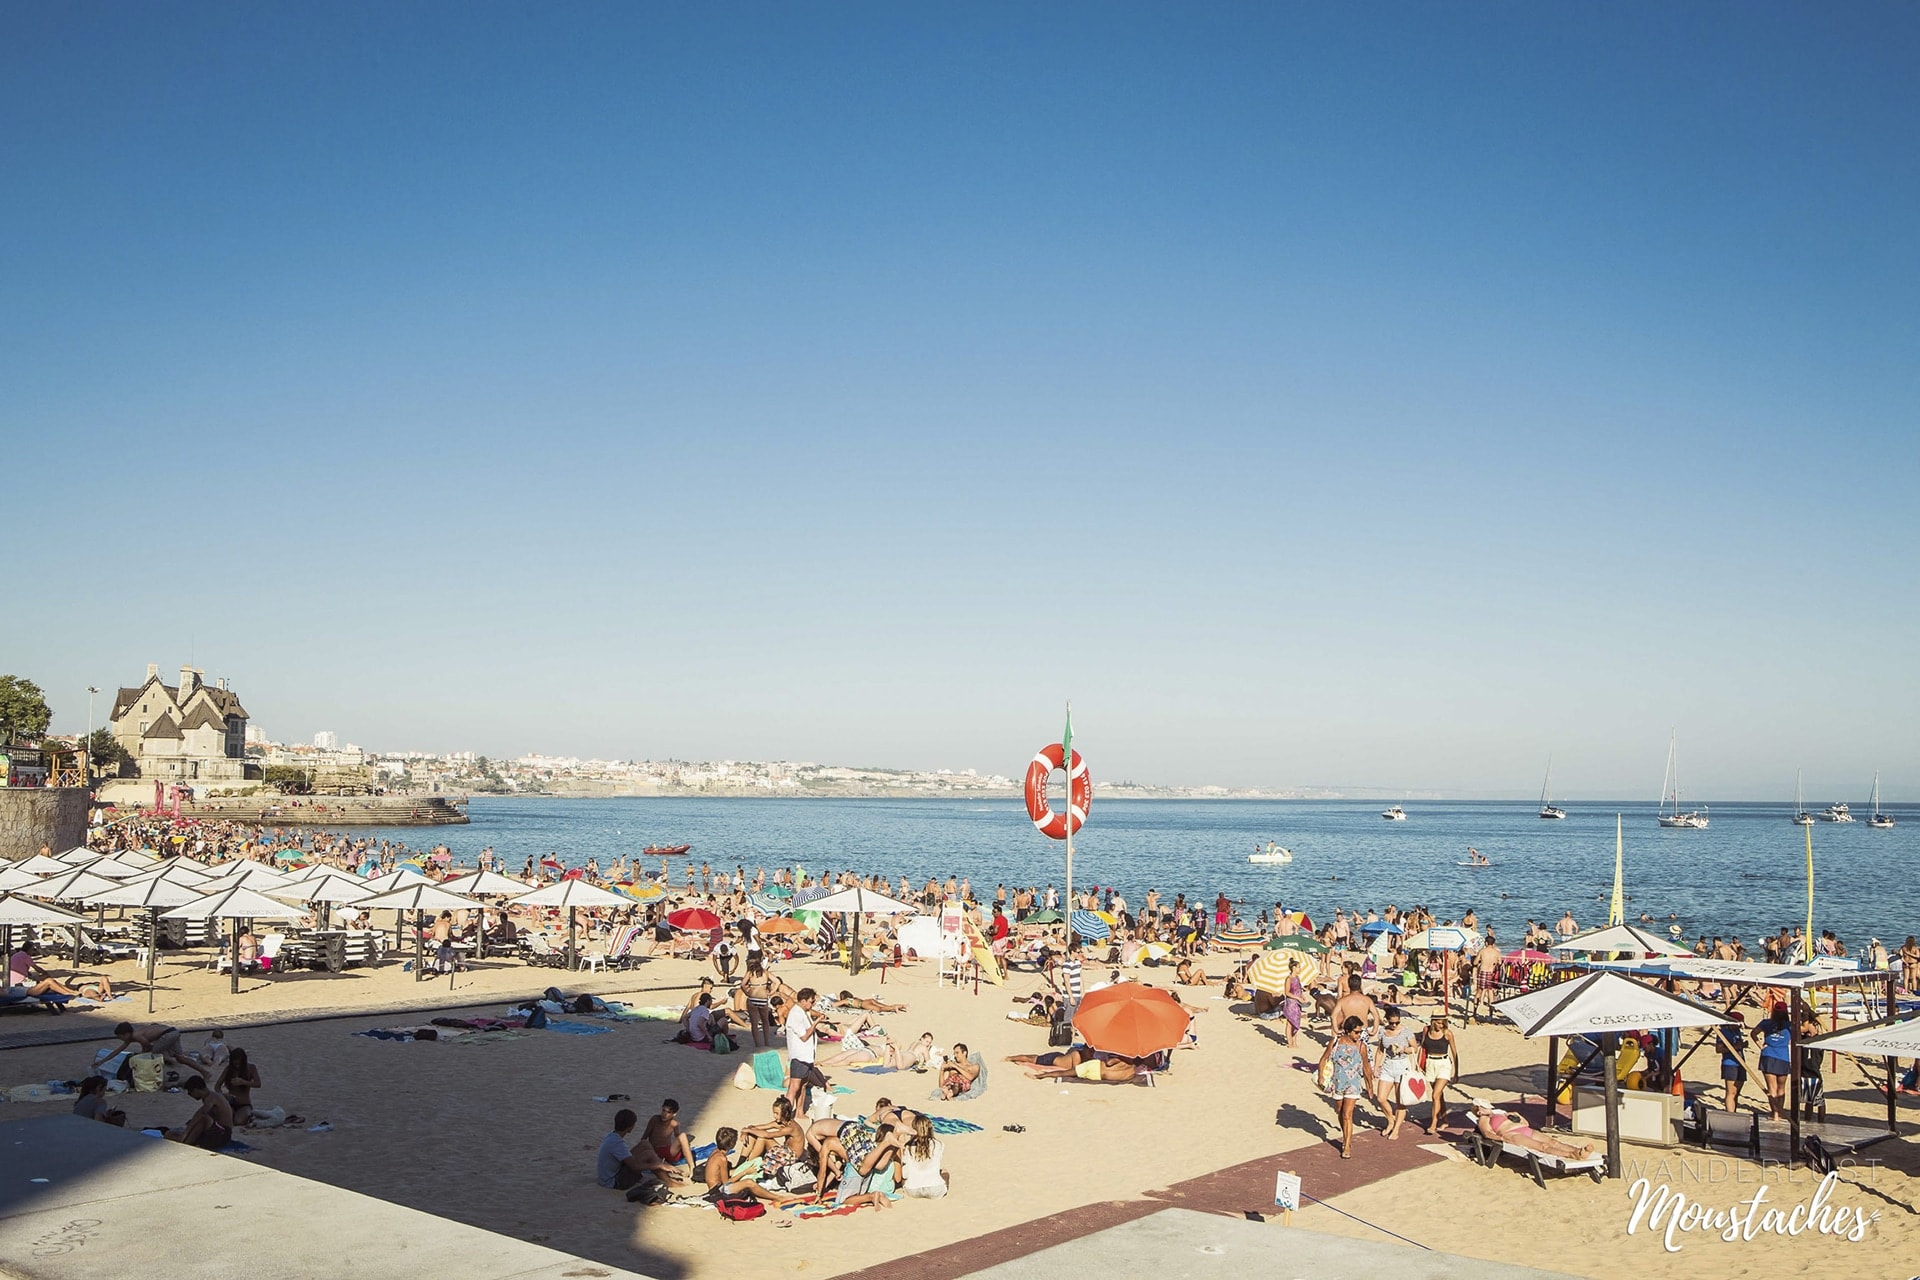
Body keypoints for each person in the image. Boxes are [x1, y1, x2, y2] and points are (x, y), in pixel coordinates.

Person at [702, 1128, 807, 1207]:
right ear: (731, 1144)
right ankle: (777, 1197)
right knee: (749, 1183)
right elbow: (726, 1184)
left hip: (713, 1187)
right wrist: (745, 1172)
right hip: (718, 1190)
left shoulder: (715, 1152)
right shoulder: (722, 1159)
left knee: (746, 1180)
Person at [1319, 1017, 1374, 1159]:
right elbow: (1324, 1059)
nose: (1358, 1035)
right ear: (1348, 1031)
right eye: (1356, 1032)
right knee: (1340, 1112)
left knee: (1347, 1114)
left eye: (1360, 1032)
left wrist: (1370, 1086)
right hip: (1337, 1082)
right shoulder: (1336, 1042)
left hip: (1353, 1084)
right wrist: (1320, 1076)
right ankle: (1346, 1135)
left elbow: (1366, 1067)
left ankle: (1347, 1144)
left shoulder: (1361, 1046)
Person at [1468, 1100, 1596, 1161]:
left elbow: (1526, 1123)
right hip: (1511, 1135)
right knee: (1542, 1147)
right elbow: (1487, 1133)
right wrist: (1502, 1139)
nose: (1488, 1108)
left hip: (1523, 1128)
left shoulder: (1501, 1113)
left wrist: (1516, 1115)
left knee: (1553, 1142)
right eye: (1484, 1107)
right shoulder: (1483, 1119)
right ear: (1479, 1111)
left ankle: (1577, 1151)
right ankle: (1570, 1155)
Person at [596, 1109, 680, 1193]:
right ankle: (669, 1182)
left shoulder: (612, 1136)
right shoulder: (617, 1143)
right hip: (614, 1182)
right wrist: (659, 1165)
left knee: (644, 1144)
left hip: (611, 1174)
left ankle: (663, 1174)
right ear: (629, 1127)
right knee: (648, 1155)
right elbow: (635, 1167)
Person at [1374, 1008, 1419, 1139]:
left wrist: (1404, 1049)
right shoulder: (1383, 1031)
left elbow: (1415, 1048)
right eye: (1392, 1022)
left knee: (1400, 1100)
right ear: (1387, 1020)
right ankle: (1390, 1120)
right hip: (1388, 1065)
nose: (1394, 1025)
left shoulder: (1406, 1031)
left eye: (1397, 1022)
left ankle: (1397, 1128)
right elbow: (1380, 1051)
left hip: (1402, 1065)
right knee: (1381, 1098)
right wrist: (1376, 1067)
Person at [1419, 1013, 1460, 1136]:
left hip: (1444, 1064)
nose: (1440, 1025)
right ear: (1433, 1021)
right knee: (1439, 1096)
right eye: (1438, 1022)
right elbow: (1422, 1047)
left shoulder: (1448, 1033)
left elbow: (1454, 1052)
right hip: (1430, 1063)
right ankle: (1445, 1120)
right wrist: (1418, 1064)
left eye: (1442, 1023)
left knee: (1435, 1094)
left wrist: (1456, 1072)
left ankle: (1434, 1122)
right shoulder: (1426, 1030)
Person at [168, 1076, 234, 1149]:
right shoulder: (210, 1097)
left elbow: (202, 1114)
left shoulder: (211, 1098)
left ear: (196, 1090)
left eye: (190, 1093)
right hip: (219, 1131)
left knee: (203, 1119)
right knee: (196, 1121)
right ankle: (186, 1139)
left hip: (223, 1133)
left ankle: (186, 1142)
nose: (190, 1096)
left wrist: (186, 1132)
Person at [784, 988, 822, 1111]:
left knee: (803, 1085)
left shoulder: (803, 1012)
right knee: (794, 1087)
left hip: (807, 1056)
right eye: (811, 1001)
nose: (813, 1004)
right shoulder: (795, 1014)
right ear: (803, 1001)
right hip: (799, 1056)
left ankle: (799, 1111)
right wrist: (816, 1023)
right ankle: (787, 1114)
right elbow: (804, 1036)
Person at [1756, 1002, 1794, 1121]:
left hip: (1769, 1054)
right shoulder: (1790, 1025)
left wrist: (1760, 1045)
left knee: (1772, 1088)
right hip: (1782, 1056)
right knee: (1781, 1088)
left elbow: (1753, 1033)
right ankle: (1779, 1112)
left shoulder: (1766, 1023)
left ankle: (1775, 1114)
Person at [899, 1113, 948, 1199]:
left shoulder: (908, 1147)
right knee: (945, 1172)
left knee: (906, 1176)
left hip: (912, 1189)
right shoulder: (939, 1145)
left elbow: (905, 1173)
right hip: (935, 1189)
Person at [110, 1022, 196, 1071]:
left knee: (153, 1054)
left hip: (168, 1035)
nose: (121, 1039)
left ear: (126, 1034)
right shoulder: (135, 1034)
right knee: (180, 1058)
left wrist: (141, 1056)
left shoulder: (136, 1036)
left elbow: (148, 1047)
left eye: (121, 1037)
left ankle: (169, 1059)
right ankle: (205, 1073)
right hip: (173, 1032)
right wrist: (102, 1061)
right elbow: (118, 1050)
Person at [642, 1099, 697, 1174]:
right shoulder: (655, 1119)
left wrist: (684, 1145)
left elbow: (677, 1137)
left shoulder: (674, 1124)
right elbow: (645, 1135)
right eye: (663, 1110)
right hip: (654, 1151)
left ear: (674, 1114)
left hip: (668, 1151)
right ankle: (674, 1169)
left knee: (683, 1136)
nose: (664, 1114)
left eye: (668, 1112)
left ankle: (692, 1167)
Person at [216, 1048, 261, 1126]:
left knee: (238, 1122)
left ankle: (249, 1115)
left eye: (239, 1063)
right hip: (230, 1102)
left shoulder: (251, 1068)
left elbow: (258, 1084)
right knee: (226, 1120)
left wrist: (243, 1082)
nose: (237, 1066)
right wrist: (223, 1095)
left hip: (244, 1104)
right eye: (235, 1063)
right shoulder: (228, 1069)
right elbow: (217, 1086)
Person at [1714, 1013, 1749, 1112]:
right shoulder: (1723, 1032)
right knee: (1731, 1091)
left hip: (1740, 1061)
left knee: (1737, 1091)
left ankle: (1734, 1111)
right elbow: (1719, 1049)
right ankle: (1730, 1113)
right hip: (1730, 1063)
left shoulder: (1737, 1031)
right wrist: (1734, 1047)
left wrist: (1742, 1045)